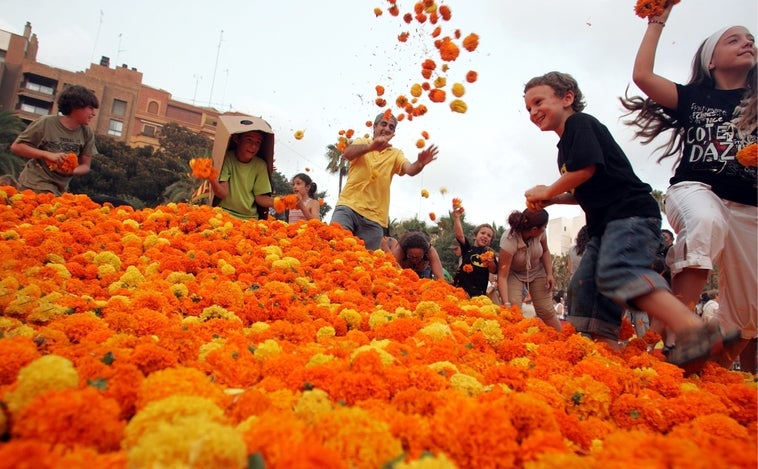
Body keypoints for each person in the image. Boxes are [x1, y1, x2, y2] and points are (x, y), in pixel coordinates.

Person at [523, 71, 739, 372]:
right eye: (528, 108)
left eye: (538, 102)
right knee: (584, 288)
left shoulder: (579, 124)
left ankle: (694, 328)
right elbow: (584, 186)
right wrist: (555, 198)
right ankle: (603, 354)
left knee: (618, 272)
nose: (533, 112)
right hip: (604, 225)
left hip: (629, 214)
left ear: (567, 98)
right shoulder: (564, 145)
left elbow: (585, 169)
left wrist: (548, 189)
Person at [622, 6, 756, 369]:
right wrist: (657, 20)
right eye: (735, 39)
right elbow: (643, 75)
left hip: (750, 209)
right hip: (696, 189)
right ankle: (681, 330)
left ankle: (704, 369)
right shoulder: (695, 97)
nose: (747, 42)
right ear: (711, 60)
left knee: (749, 309)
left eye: (751, 39)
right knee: (707, 222)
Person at [330, 111, 438, 250]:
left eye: (391, 127)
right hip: (348, 207)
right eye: (384, 124)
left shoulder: (395, 154)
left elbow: (410, 169)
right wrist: (371, 147)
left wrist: (420, 163)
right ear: (374, 127)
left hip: (375, 219)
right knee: (334, 246)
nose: (387, 128)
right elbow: (347, 153)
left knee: (365, 264)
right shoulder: (362, 142)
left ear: (393, 133)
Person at [11, 85, 99, 196]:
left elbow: (85, 166)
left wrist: (71, 170)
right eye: (90, 108)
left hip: (60, 189)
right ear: (76, 106)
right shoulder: (46, 122)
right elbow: (16, 147)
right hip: (34, 184)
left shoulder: (87, 133)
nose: (93, 114)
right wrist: (47, 155)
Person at [496, 208, 561, 331]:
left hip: (537, 270)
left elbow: (546, 251)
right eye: (545, 227)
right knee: (513, 311)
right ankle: (514, 342)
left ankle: (563, 340)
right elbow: (502, 275)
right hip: (514, 274)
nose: (545, 229)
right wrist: (506, 304)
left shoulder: (540, 233)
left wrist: (549, 274)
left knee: (546, 310)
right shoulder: (509, 240)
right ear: (534, 229)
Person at [208, 130, 274, 220]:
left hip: (250, 219)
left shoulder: (260, 165)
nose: (253, 146)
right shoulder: (226, 158)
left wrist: (281, 202)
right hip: (223, 214)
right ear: (236, 139)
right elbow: (222, 193)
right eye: (249, 140)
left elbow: (260, 198)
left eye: (258, 142)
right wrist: (211, 177)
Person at [451, 205, 497, 298]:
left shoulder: (490, 254)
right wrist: (456, 218)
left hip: (477, 294)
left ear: (490, 241)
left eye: (489, 236)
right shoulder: (467, 248)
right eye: (482, 233)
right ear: (475, 236)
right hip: (460, 290)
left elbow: (493, 270)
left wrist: (490, 261)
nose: (485, 236)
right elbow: (460, 235)